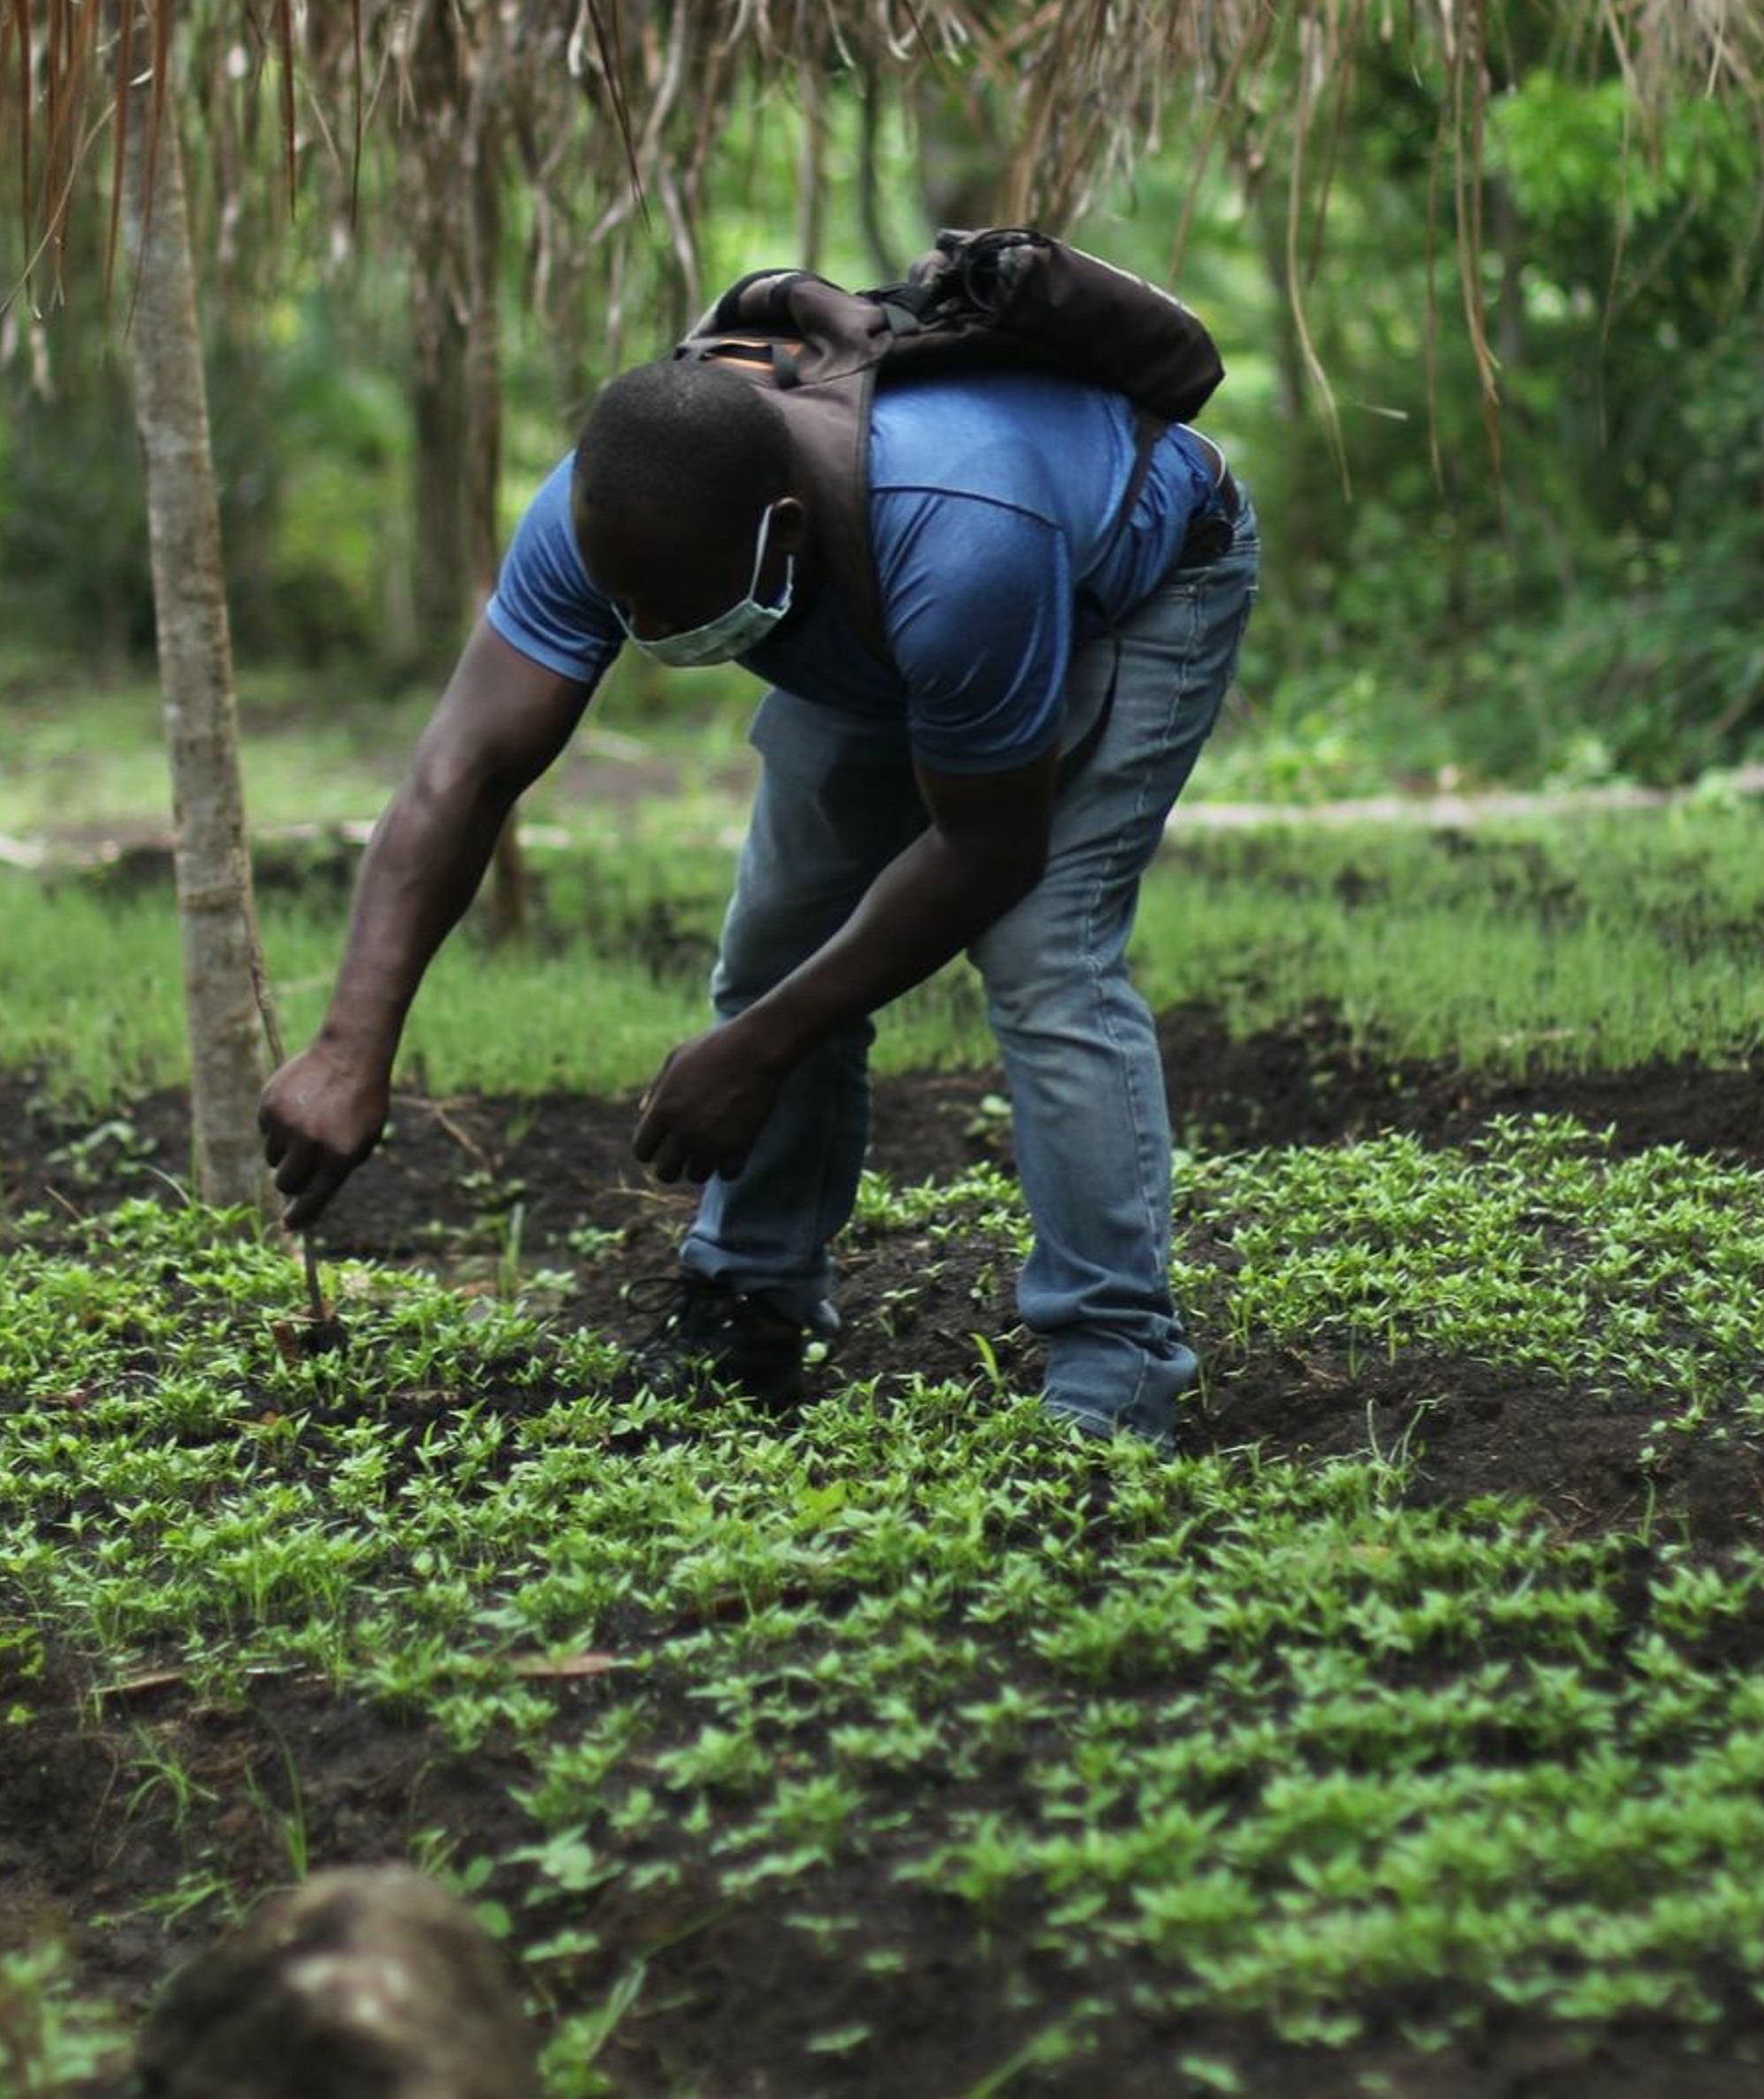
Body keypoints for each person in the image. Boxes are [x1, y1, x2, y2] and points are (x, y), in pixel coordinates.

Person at [256, 266, 1258, 1448]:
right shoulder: (605, 508)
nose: (653, 634)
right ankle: (749, 1303)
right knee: (780, 938)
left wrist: (758, 1049)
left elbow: (988, 850)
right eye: (628, 607)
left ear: (779, 532)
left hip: (1129, 580)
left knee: (1046, 955)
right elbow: (458, 774)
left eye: (680, 607)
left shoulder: (968, 536)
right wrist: (348, 1046)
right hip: (869, 614)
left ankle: (1114, 1360)